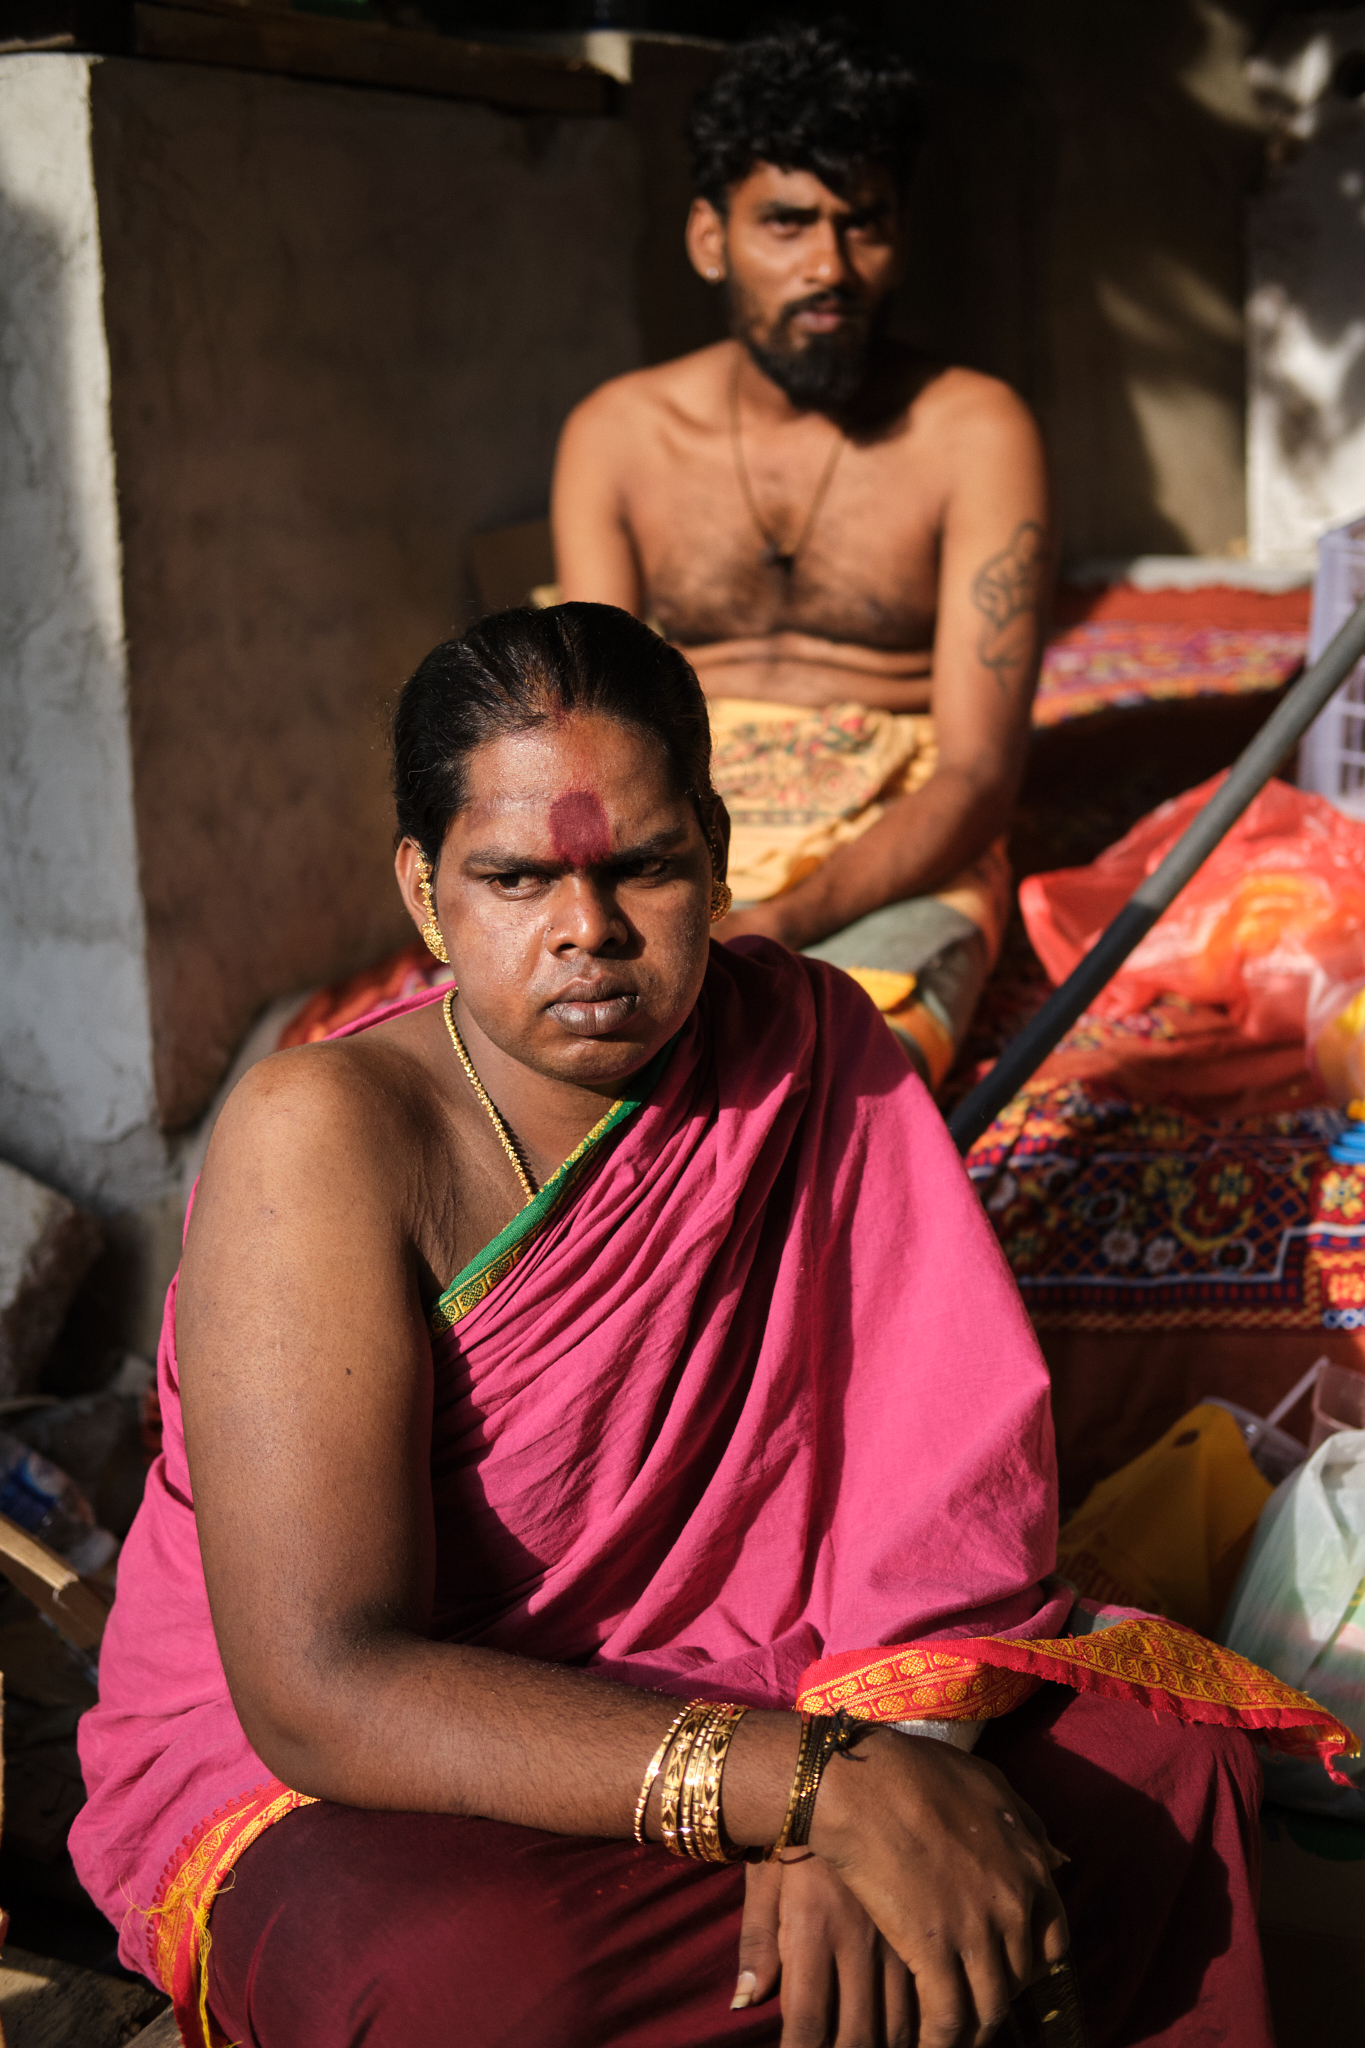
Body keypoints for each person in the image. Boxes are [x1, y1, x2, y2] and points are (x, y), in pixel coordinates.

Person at [71, 605, 1308, 2048]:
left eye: (642, 869)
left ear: (716, 855)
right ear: (424, 891)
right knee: (455, 1989)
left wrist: (884, 1768)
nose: (587, 933)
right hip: (390, 1765)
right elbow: (325, 1681)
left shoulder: (814, 1048)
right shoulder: (327, 1136)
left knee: (1163, 1766)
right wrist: (799, 1791)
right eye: (516, 877)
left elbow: (936, 1491)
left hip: (778, 1681)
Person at [553, 24, 1048, 1087]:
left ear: (900, 240)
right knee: (539, 1080)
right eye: (786, 222)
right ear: (709, 238)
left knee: (834, 1085)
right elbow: (594, 726)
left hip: (896, 845)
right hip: (675, 825)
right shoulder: (618, 436)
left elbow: (978, 772)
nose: (830, 266)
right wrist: (661, 900)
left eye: (862, 224)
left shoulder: (974, 431)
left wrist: (780, 921)